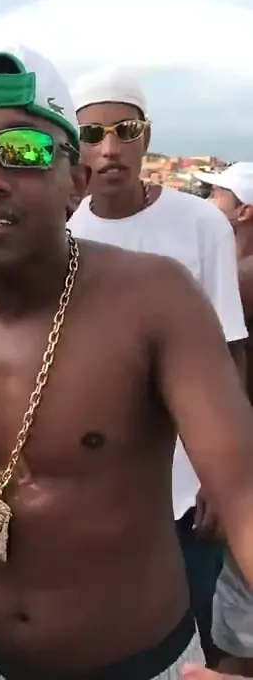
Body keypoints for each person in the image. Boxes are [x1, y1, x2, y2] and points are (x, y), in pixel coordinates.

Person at [0, 42, 253, 680]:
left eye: (23, 150)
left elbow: (243, 492)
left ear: (74, 181)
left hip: (145, 665)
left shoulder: (155, 300)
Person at [67, 68, 247, 667]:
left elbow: (229, 349)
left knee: (192, 638)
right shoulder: (61, 231)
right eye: (91, 134)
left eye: (126, 131)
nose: (109, 149)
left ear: (146, 136)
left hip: (187, 489)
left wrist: (222, 477)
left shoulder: (201, 223)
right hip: (94, 489)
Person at [194, 162, 253, 677]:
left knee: (236, 631)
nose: (209, 202)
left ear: (244, 211)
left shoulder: (242, 278)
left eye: (218, 194)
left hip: (240, 453)